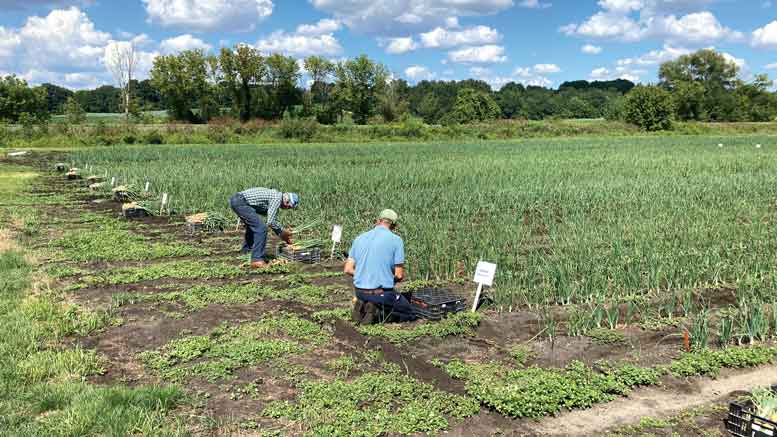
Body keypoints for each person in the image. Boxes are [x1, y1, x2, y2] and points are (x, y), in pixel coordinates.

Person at [344, 209, 415, 324]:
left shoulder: (359, 238)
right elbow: (399, 274)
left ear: (378, 221)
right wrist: (388, 278)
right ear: (394, 226)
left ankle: (365, 305)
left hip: (359, 292)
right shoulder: (396, 240)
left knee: (371, 296)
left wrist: (364, 276)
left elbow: (348, 269)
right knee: (409, 313)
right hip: (380, 293)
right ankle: (378, 311)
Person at [229, 187, 298, 268]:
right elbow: (271, 222)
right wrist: (282, 231)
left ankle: (246, 251)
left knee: (253, 227)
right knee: (261, 228)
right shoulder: (277, 198)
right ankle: (256, 260)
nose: (286, 209)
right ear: (287, 202)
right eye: (289, 207)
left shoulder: (276, 196)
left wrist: (282, 234)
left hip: (238, 200)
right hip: (240, 202)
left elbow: (272, 220)